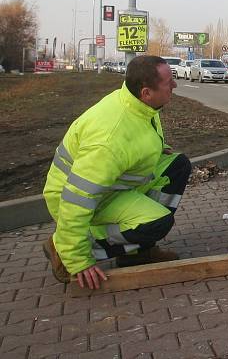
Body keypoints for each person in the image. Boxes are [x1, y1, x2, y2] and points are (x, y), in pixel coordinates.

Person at [41, 55, 191, 290]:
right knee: (158, 223)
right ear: (146, 93)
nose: (174, 85)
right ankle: (62, 247)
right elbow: (77, 199)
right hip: (78, 200)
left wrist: (157, 150)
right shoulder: (108, 140)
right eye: (169, 82)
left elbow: (135, 137)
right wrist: (77, 258)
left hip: (111, 188)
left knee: (177, 165)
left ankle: (138, 252)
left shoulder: (138, 105)